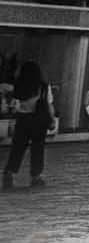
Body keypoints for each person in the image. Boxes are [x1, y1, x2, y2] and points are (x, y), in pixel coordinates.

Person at [4, 55, 52, 190]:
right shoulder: (43, 86)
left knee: (17, 148)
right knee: (38, 148)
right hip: (39, 120)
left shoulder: (19, 86)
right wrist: (52, 119)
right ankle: (36, 176)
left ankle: (10, 172)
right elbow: (48, 104)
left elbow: (14, 105)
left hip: (23, 119)